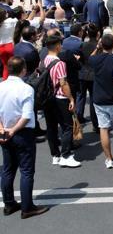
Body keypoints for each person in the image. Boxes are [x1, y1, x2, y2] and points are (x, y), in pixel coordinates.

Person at [0, 56, 49, 219]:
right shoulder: (26, 89)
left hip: (4, 131)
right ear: (23, 70)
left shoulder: (1, 86)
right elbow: (27, 116)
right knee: (26, 171)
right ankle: (27, 207)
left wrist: (3, 129)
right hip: (22, 133)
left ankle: (8, 204)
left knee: (8, 169)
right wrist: (14, 130)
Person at [41, 34, 80, 168]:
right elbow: (63, 84)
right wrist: (71, 99)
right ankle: (66, 154)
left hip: (47, 98)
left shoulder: (45, 59)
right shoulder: (60, 64)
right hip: (60, 98)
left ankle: (55, 155)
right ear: (57, 46)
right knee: (67, 126)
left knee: (51, 127)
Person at [90, 34, 113, 169]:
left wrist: (97, 47)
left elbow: (91, 56)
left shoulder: (94, 60)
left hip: (99, 99)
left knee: (103, 128)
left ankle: (108, 158)